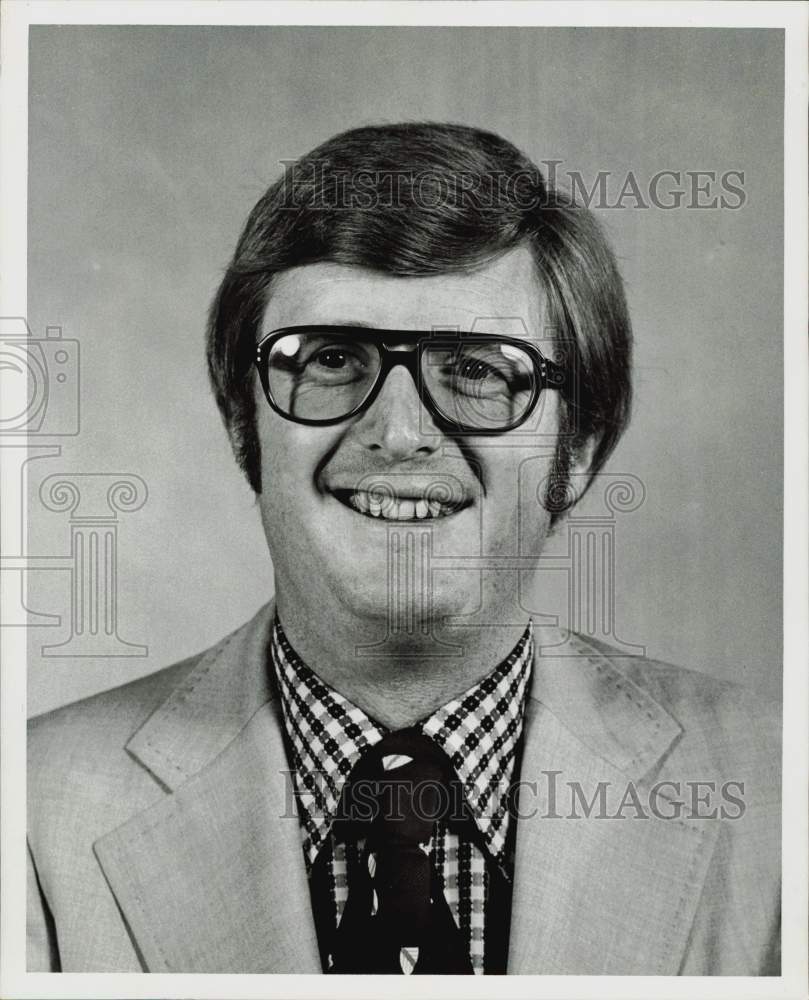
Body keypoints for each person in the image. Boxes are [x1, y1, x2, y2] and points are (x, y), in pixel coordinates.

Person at [27, 122, 780, 975]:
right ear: (245, 421)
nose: (397, 432)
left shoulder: (779, 795)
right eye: (334, 359)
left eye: (476, 370)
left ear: (576, 448)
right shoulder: (31, 815)